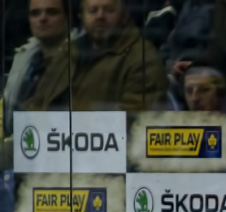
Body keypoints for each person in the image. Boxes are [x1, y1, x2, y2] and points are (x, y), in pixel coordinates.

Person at [23, 0, 167, 112]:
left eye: (109, 10)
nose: (100, 16)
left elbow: (136, 117)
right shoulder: (68, 52)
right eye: (92, 10)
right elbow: (37, 101)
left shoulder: (142, 57)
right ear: (82, 16)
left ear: (124, 15)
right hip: (51, 136)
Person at [3, 0, 73, 137]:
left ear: (67, 18)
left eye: (52, 12)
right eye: (35, 13)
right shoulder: (22, 60)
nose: (43, 18)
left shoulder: (80, 60)